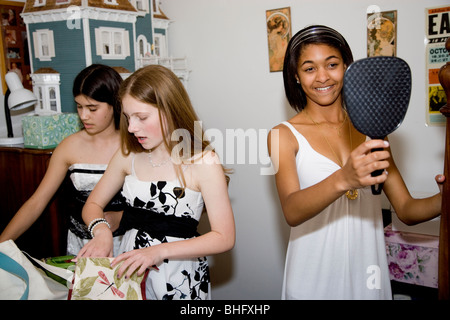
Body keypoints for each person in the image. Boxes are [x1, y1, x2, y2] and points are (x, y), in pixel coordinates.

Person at [267, 25, 444, 300]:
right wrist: (343, 178)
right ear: (296, 77)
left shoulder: (372, 130)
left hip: (368, 280)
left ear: (347, 68)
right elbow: (291, 210)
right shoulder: (282, 135)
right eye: (309, 68)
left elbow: (407, 209)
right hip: (312, 281)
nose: (322, 76)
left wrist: (443, 198)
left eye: (332, 64)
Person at [76, 64, 235, 300]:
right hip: (129, 272)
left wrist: (157, 252)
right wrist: (101, 232)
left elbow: (224, 237)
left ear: (170, 110)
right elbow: (92, 205)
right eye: (128, 117)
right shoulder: (126, 156)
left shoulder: (203, 162)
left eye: (141, 117)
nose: (131, 128)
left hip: (179, 275)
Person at [0, 64, 125, 256]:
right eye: (79, 106)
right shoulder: (69, 146)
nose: (84, 115)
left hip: (126, 243)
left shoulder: (133, 145)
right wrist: (2, 243)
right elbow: (36, 202)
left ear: (115, 104)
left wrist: (123, 217)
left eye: (92, 108)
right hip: (82, 245)